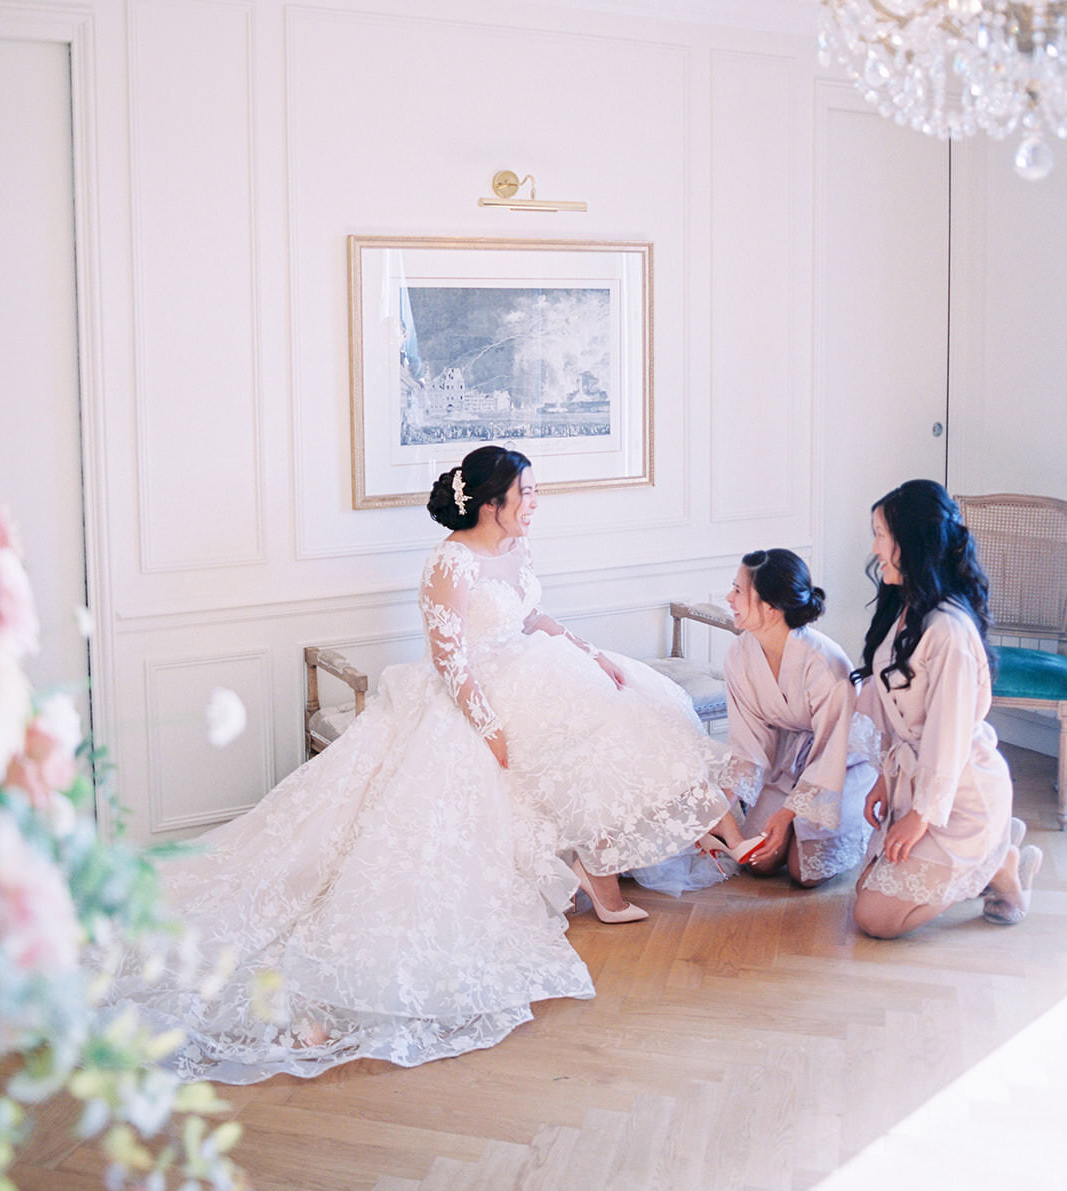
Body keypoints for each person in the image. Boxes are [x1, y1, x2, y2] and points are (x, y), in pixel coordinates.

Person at [106, 445, 745, 1082]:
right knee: (545, 740)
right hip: (471, 694)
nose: (535, 504)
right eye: (526, 493)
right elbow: (450, 661)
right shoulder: (450, 561)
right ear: (492, 503)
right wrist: (489, 728)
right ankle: (601, 867)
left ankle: (616, 856)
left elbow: (533, 614)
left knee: (619, 701)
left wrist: (584, 649)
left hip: (529, 671)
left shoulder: (517, 549)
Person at [852, 479, 1040, 939]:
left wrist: (921, 816)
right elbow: (891, 706)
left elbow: (947, 738)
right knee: (864, 892)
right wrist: (882, 775)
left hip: (961, 795)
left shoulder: (949, 632)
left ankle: (1001, 861)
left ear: (910, 544)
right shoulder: (906, 608)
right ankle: (992, 854)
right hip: (917, 785)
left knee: (875, 920)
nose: (875, 547)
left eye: (881, 534)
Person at [715, 549, 876, 886]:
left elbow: (833, 749)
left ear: (771, 608)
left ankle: (856, 821)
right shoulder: (738, 655)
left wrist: (788, 814)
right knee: (759, 863)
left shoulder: (825, 664)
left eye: (738, 591)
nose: (729, 598)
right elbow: (748, 741)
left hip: (839, 766)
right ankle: (781, 826)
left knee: (805, 875)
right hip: (787, 761)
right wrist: (718, 804)